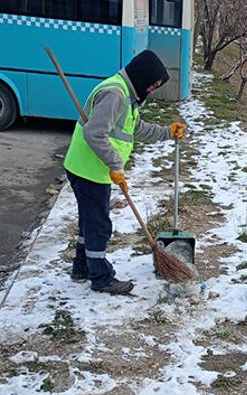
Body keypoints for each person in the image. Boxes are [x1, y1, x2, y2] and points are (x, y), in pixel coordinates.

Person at [63, 50, 186, 295]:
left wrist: (166, 132)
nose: (152, 90)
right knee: (98, 225)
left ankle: (82, 268)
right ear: (143, 76)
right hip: (89, 169)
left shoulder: (127, 95)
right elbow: (94, 134)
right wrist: (116, 166)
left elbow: (134, 128)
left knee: (89, 221)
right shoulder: (115, 94)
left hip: (90, 168)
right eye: (153, 84)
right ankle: (101, 278)